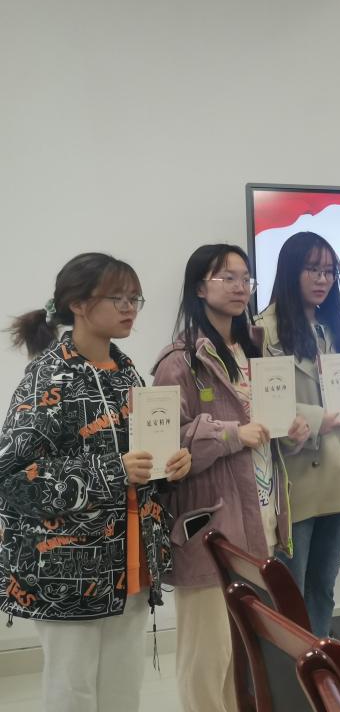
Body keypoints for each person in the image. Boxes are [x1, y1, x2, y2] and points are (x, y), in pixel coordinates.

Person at [0, 253, 189, 712]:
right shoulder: (50, 376)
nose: (130, 308)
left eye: (135, 298)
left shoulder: (127, 372)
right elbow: (12, 477)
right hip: (67, 569)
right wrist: (112, 472)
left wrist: (168, 466)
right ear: (79, 304)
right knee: (73, 691)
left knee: (123, 688)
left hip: (130, 560)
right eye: (117, 298)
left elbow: (140, 459)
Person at [152, 244, 310, 712]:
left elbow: (266, 430)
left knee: (245, 655)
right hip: (211, 527)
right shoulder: (180, 361)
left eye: (246, 278)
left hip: (260, 516)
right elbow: (165, 444)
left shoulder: (255, 352)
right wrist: (231, 434)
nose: (241, 287)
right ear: (199, 288)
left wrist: (291, 431)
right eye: (227, 277)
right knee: (208, 656)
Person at [255, 231, 340, 637]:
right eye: (312, 269)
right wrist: (317, 420)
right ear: (291, 271)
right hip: (295, 479)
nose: (322, 279)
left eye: (329, 272)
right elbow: (259, 404)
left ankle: (319, 664)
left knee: (323, 587)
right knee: (289, 591)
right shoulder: (263, 331)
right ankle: (292, 670)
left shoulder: (332, 327)